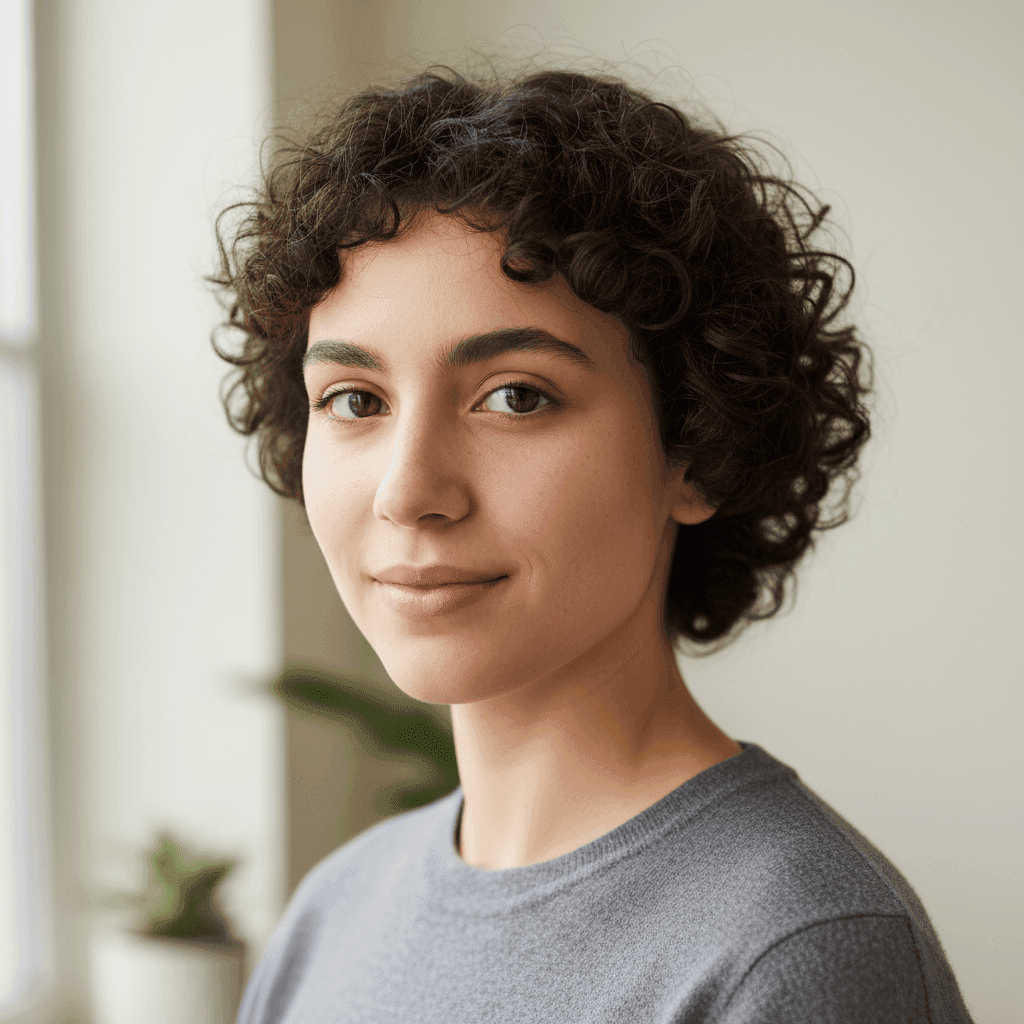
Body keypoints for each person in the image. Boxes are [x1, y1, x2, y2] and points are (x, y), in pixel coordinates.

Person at [209, 56, 974, 1023]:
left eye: (515, 397)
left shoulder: (798, 951)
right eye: (354, 400)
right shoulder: (333, 916)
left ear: (691, 447)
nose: (408, 491)